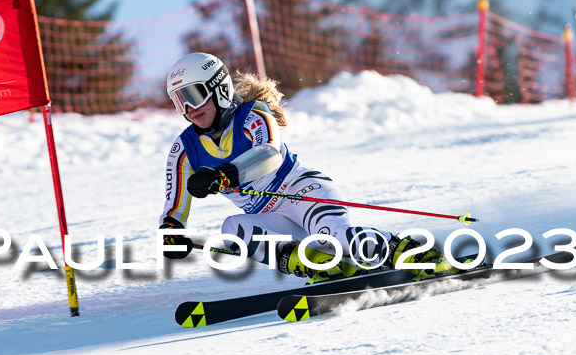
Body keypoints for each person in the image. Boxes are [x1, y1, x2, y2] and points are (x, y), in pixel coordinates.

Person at [159, 52, 455, 282]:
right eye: (179, 101)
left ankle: (416, 254)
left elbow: (269, 153)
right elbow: (174, 203)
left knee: (339, 237)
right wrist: (172, 231)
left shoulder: (253, 115)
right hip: (269, 216)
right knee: (233, 229)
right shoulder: (184, 148)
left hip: (303, 192)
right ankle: (324, 266)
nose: (188, 110)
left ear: (218, 87)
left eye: (193, 96)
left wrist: (225, 176)